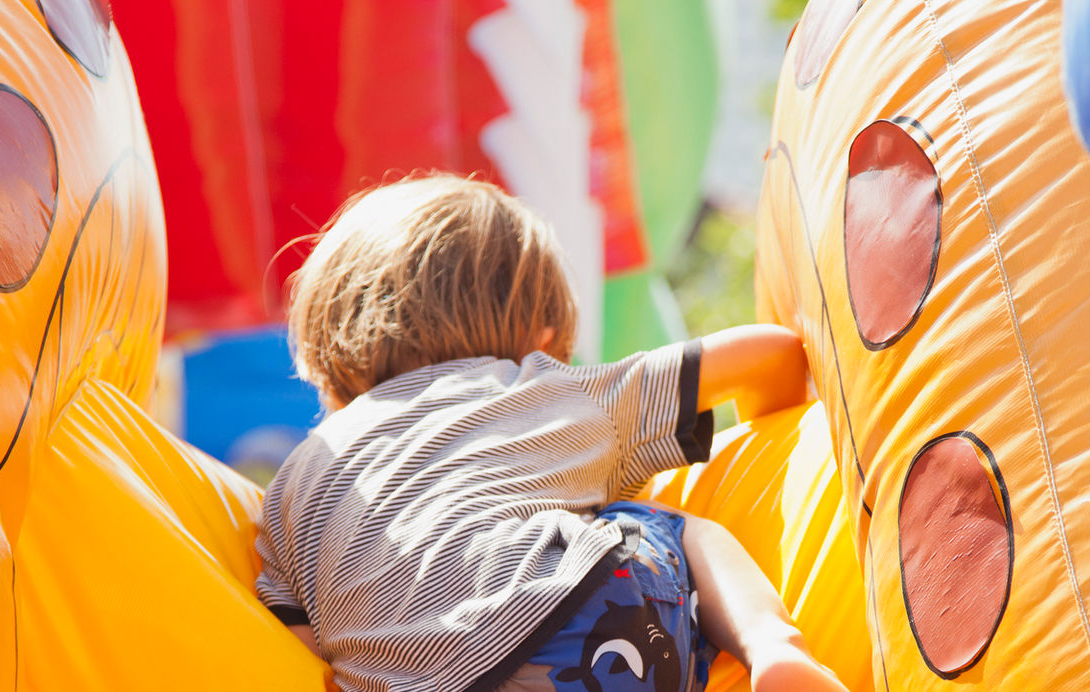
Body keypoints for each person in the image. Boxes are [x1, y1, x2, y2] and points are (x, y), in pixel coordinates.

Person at [257, 173, 845, 692]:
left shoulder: (295, 480)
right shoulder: (545, 389)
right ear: (542, 334)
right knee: (670, 527)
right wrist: (776, 431)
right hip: (584, 623)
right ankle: (775, 650)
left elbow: (305, 654)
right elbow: (770, 353)